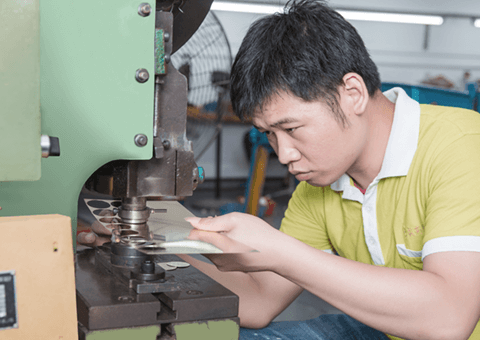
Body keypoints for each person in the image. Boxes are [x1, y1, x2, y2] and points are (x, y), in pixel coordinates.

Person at [79, 1, 480, 339]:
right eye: (268, 134)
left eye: (290, 128)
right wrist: (154, 247)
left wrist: (281, 252)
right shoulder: (319, 184)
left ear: (352, 93)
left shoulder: (460, 147)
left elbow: (449, 318)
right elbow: (258, 302)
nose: (283, 153)